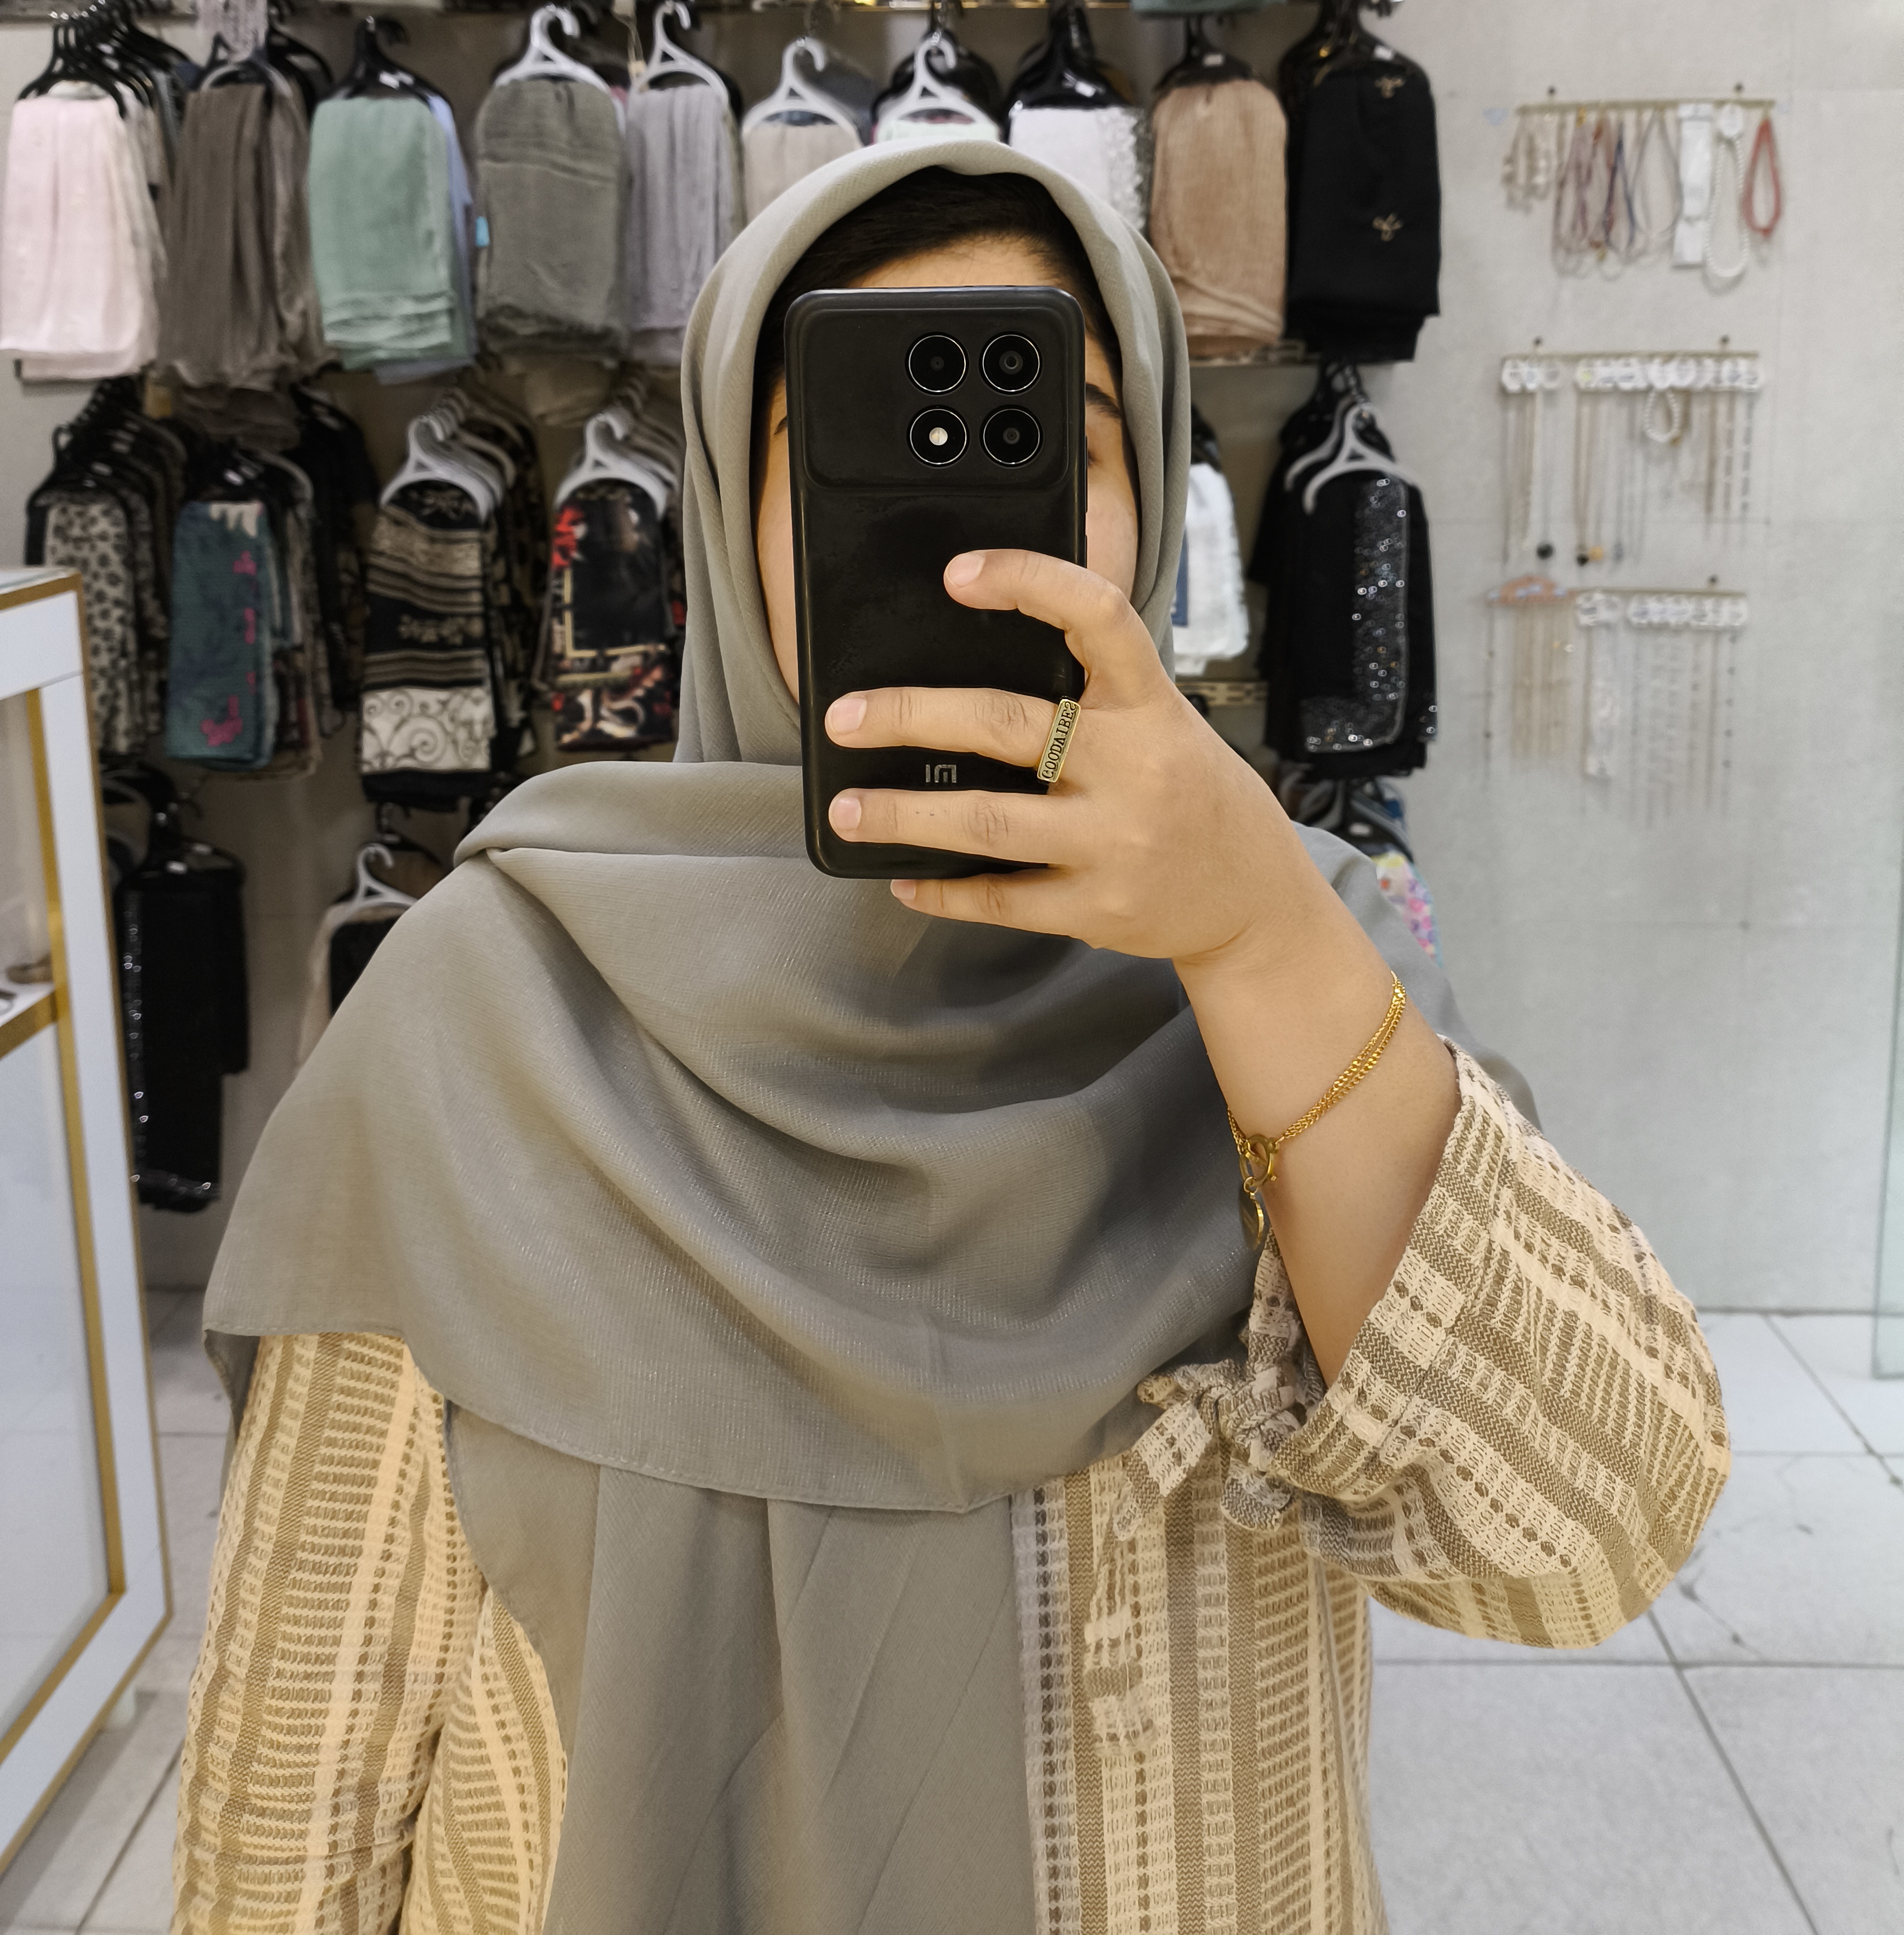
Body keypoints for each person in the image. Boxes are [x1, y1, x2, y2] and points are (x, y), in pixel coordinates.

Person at [178, 140, 1729, 1935]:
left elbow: (1588, 1543)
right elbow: (300, 1772)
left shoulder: (1301, 965)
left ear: (1151, 503)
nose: (963, 539)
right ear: (731, 520)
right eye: (846, 445)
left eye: (1049, 443)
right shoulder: (492, 1002)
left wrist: (1260, 946)